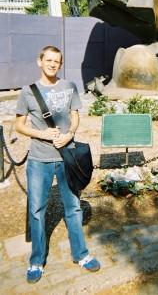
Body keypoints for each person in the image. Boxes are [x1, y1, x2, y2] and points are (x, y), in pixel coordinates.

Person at [15, 45, 100, 284]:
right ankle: (36, 261)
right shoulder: (28, 92)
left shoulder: (69, 86)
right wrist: (42, 135)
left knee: (73, 207)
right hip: (39, 159)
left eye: (57, 61)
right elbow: (18, 125)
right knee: (37, 210)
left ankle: (81, 255)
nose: (53, 64)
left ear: (60, 64)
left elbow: (75, 115)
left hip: (67, 157)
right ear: (39, 61)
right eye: (49, 60)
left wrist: (70, 133)